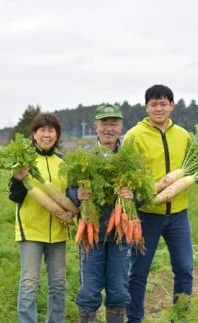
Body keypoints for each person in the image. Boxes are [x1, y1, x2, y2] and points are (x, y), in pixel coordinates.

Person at [123, 85, 198, 323]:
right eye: (153, 104)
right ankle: (134, 318)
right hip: (146, 213)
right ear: (146, 107)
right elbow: (125, 171)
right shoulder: (134, 136)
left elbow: (196, 167)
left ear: (172, 106)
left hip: (178, 214)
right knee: (139, 272)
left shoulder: (183, 135)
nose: (159, 108)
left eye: (163, 103)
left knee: (184, 268)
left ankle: (180, 317)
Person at [67, 104, 135, 323]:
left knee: (118, 290)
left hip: (121, 234)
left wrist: (133, 194)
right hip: (91, 233)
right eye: (104, 123)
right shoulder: (83, 156)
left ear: (121, 126)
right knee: (89, 290)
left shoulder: (129, 157)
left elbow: (143, 192)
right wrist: (77, 193)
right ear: (95, 126)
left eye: (113, 123)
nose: (109, 128)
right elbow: (68, 189)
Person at [8, 113, 75, 323]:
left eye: (51, 130)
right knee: (29, 283)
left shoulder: (64, 162)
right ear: (34, 135)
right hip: (31, 231)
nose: (46, 134)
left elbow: (71, 194)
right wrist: (18, 180)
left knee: (58, 284)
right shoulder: (24, 162)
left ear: (57, 135)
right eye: (42, 130)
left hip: (58, 231)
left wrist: (72, 209)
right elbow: (15, 196)